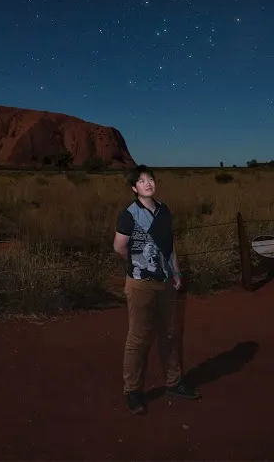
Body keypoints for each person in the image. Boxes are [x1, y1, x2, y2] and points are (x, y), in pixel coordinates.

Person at [113, 164, 201, 414]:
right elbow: (119, 246)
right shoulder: (129, 214)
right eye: (141, 181)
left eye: (150, 178)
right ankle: (132, 390)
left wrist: (175, 272)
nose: (147, 183)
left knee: (169, 334)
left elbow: (169, 244)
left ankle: (174, 382)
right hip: (140, 284)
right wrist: (137, 266)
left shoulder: (164, 211)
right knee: (138, 338)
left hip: (165, 282)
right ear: (134, 188)